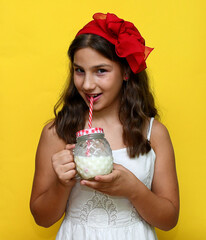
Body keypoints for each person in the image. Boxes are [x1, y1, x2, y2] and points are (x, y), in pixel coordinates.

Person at [30, 12, 179, 239]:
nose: (87, 84)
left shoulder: (153, 133)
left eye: (101, 71)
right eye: (79, 70)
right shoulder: (57, 133)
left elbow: (169, 220)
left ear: (126, 71)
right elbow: (42, 218)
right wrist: (62, 184)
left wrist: (133, 189)